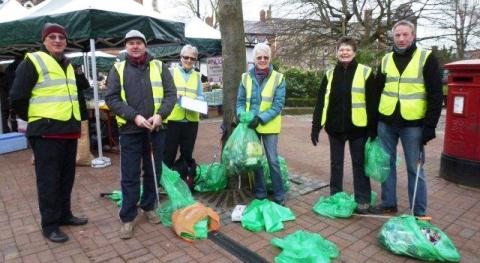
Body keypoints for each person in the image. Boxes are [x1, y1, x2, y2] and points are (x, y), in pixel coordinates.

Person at [10, 23, 88, 243]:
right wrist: (38, 118)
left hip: (68, 131)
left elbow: (76, 93)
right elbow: (17, 97)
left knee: (66, 177)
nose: (57, 40)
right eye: (52, 37)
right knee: (48, 181)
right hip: (46, 133)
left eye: (61, 37)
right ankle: (50, 224)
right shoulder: (32, 61)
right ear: (44, 41)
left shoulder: (68, 64)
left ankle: (64, 214)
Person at [105, 30, 176, 239]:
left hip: (156, 129)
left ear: (145, 46)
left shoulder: (159, 66)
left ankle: (148, 206)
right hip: (130, 131)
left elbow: (171, 94)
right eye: (131, 43)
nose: (135, 46)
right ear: (126, 47)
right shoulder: (117, 68)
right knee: (130, 174)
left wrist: (161, 115)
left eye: (138, 43)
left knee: (153, 172)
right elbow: (112, 98)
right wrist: (134, 116)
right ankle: (127, 217)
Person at [372, 20, 443, 217]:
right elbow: (378, 90)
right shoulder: (386, 59)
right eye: (397, 35)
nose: (401, 39)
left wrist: (430, 126)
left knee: (415, 168)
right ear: (393, 37)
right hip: (386, 122)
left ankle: (419, 211)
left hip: (413, 125)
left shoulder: (426, 58)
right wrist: (374, 121)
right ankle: (388, 202)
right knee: (387, 164)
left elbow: (436, 95)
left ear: (413, 36)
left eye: (405, 35)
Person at [311, 36, 376, 214]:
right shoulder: (330, 74)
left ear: (354, 52)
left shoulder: (365, 72)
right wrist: (315, 126)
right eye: (341, 49)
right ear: (337, 52)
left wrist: (373, 129)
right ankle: (335, 195)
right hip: (335, 128)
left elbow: (372, 102)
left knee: (359, 164)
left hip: (358, 129)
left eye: (348, 49)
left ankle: (363, 200)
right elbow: (320, 102)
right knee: (336, 164)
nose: (344, 52)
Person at [236, 42, 287, 206]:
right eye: (259, 57)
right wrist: (241, 115)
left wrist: (261, 118)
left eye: (266, 57)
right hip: (252, 127)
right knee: (256, 160)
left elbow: (278, 105)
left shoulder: (278, 78)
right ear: (254, 59)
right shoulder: (245, 77)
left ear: (270, 58)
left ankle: (279, 195)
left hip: (269, 126)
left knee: (272, 160)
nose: (263, 60)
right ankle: (260, 193)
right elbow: (240, 102)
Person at [163, 45, 204, 169]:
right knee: (168, 153)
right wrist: (174, 95)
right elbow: (164, 94)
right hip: (173, 120)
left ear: (195, 60)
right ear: (180, 58)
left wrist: (194, 100)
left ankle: (183, 181)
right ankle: (164, 183)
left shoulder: (197, 76)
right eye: (186, 57)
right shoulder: (170, 73)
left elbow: (201, 97)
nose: (189, 61)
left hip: (191, 121)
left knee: (187, 154)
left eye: (192, 58)